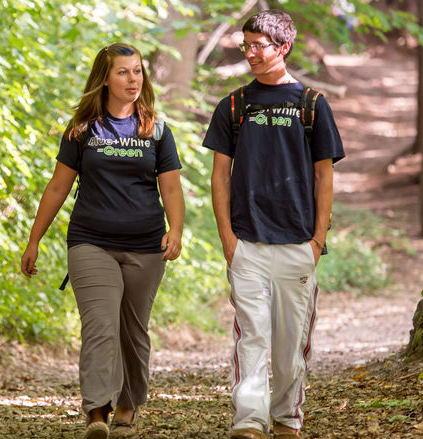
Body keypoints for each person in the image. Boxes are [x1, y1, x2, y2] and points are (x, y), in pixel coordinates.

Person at [21, 42, 184, 439]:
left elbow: (172, 190)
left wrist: (175, 229)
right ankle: (97, 412)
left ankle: (129, 402)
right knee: (100, 325)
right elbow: (59, 187)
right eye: (123, 72)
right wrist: (34, 240)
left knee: (133, 328)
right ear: (105, 79)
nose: (133, 79)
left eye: (137, 71)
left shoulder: (156, 130)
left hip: (147, 246)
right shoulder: (83, 129)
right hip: (90, 241)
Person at [202, 10, 345, 439]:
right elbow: (219, 175)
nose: (250, 54)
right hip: (247, 245)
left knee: (289, 348)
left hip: (298, 244)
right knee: (252, 340)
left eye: (258, 46)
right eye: (245, 46)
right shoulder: (233, 105)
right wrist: (228, 238)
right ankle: (248, 420)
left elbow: (325, 176)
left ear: (283, 48)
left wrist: (318, 240)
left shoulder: (313, 105)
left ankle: (286, 418)